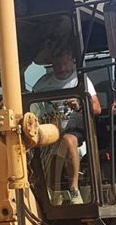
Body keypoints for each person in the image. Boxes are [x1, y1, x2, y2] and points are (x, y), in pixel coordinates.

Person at [31, 50, 101, 203]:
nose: (62, 68)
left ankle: (74, 188)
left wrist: (81, 105)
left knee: (69, 141)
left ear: (72, 61)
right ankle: (43, 190)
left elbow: (97, 108)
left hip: (74, 128)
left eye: (64, 64)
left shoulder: (81, 80)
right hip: (48, 129)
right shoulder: (43, 83)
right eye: (57, 65)